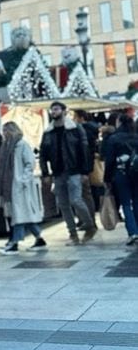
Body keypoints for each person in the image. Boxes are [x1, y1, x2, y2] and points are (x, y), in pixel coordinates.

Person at [39, 100, 95, 244]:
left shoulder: (75, 128)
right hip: (58, 173)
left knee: (76, 200)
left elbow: (84, 150)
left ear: (64, 111)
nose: (54, 112)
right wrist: (45, 173)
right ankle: (73, 234)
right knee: (63, 204)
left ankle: (89, 225)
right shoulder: (48, 132)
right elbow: (43, 154)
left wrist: (85, 171)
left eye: (56, 109)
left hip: (74, 170)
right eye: (52, 110)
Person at [0, 121, 47, 254]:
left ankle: (14, 243)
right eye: (4, 131)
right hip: (10, 186)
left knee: (18, 215)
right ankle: (39, 239)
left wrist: (23, 180)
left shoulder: (21, 145)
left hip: (20, 186)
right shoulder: (5, 147)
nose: (5, 133)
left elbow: (30, 163)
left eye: (7, 130)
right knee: (23, 215)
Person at [103, 113, 138, 244]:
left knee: (125, 204)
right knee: (136, 202)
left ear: (119, 123)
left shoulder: (114, 139)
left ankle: (133, 233)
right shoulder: (136, 137)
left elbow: (109, 161)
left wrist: (107, 179)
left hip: (121, 174)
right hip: (136, 174)